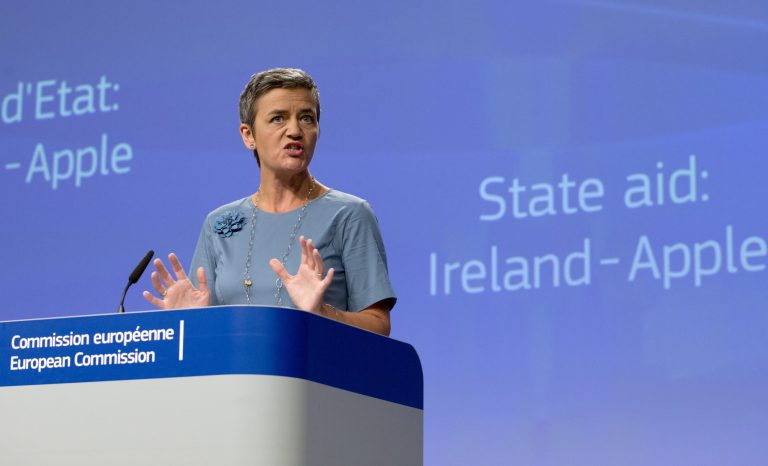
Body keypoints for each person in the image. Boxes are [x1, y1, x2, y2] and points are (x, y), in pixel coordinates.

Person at [142, 68, 395, 336]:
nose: (295, 130)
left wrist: (321, 312)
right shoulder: (217, 223)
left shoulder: (349, 214)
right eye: (278, 118)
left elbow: (378, 325)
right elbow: (207, 334)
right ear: (248, 135)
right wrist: (188, 322)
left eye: (307, 118)